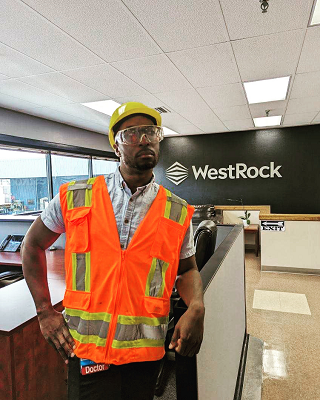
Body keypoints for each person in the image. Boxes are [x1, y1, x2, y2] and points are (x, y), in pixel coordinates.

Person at [22, 102, 205, 400]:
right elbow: (32, 244)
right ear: (116, 147)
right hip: (87, 349)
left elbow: (187, 270)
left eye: (151, 132)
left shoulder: (177, 210)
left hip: (145, 353)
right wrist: (44, 311)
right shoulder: (76, 195)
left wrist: (196, 305)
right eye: (132, 134)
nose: (144, 139)